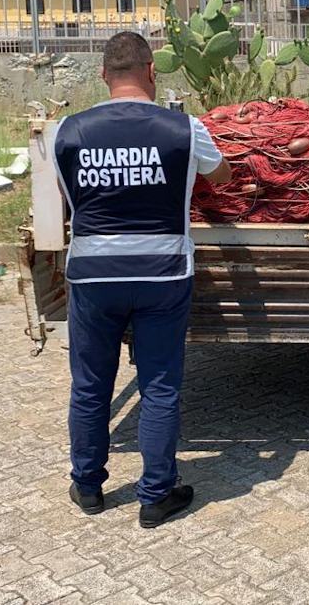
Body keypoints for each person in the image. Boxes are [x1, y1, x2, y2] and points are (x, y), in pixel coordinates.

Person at [54, 32, 232, 528]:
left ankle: (88, 486)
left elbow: (65, 198)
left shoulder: (68, 131)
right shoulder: (184, 128)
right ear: (153, 71)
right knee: (159, 386)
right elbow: (221, 176)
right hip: (163, 275)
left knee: (90, 386)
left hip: (93, 278)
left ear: (103, 75)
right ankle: (156, 496)